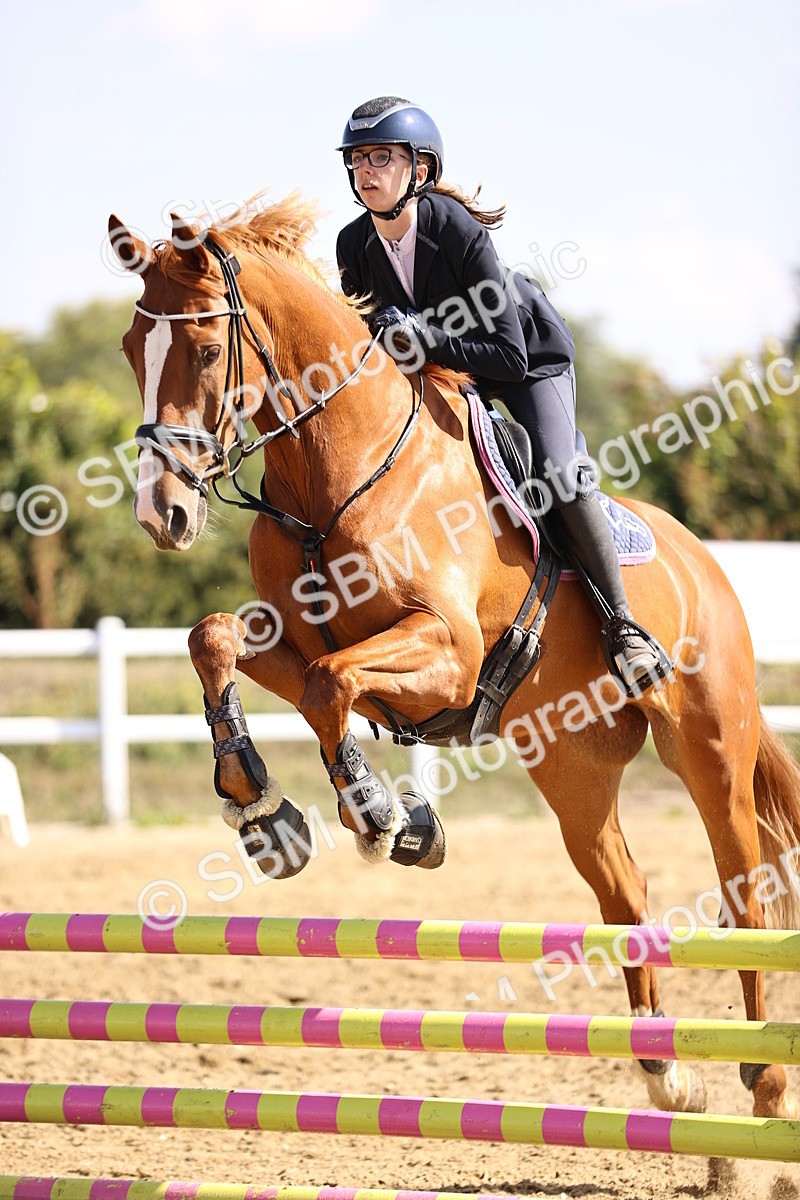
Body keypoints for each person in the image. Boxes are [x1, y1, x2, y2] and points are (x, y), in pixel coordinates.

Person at [335, 95, 663, 689]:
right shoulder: (353, 245)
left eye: (382, 157)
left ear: (421, 169)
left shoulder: (454, 229)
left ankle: (623, 626)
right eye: (357, 160)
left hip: (526, 360)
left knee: (560, 471)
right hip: (446, 370)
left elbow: (508, 356)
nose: (366, 172)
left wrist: (422, 337)